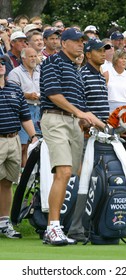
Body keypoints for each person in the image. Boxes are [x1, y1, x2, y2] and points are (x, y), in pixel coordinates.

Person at [40, 28, 106, 246]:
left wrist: (88, 119)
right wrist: (80, 113)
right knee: (64, 171)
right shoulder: (53, 62)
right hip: (55, 118)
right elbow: (52, 93)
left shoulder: (76, 68)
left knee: (72, 174)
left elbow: (80, 104)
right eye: (77, 41)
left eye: (82, 41)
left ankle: (57, 226)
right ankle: (52, 227)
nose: (81, 45)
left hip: (73, 123)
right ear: (64, 43)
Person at [67, 38, 111, 242]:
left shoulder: (101, 77)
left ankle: (91, 225)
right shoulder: (82, 75)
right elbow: (79, 109)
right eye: (100, 50)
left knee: (97, 183)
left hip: (102, 137)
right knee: (82, 182)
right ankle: (75, 227)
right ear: (89, 54)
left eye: (105, 50)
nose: (104, 53)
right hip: (86, 137)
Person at [0, 55, 37, 239]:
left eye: (1, 63)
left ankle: (4, 222)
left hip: (13, 139)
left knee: (7, 183)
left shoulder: (14, 89)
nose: (0, 66)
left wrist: (34, 137)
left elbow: (25, 116)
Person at [8, 47, 41, 168]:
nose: (34, 59)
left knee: (36, 143)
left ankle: (32, 173)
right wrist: (27, 95)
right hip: (24, 108)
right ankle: (21, 173)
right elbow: (11, 93)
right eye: (31, 56)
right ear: (23, 58)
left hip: (39, 109)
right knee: (22, 145)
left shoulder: (40, 71)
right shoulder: (15, 73)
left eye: (35, 56)